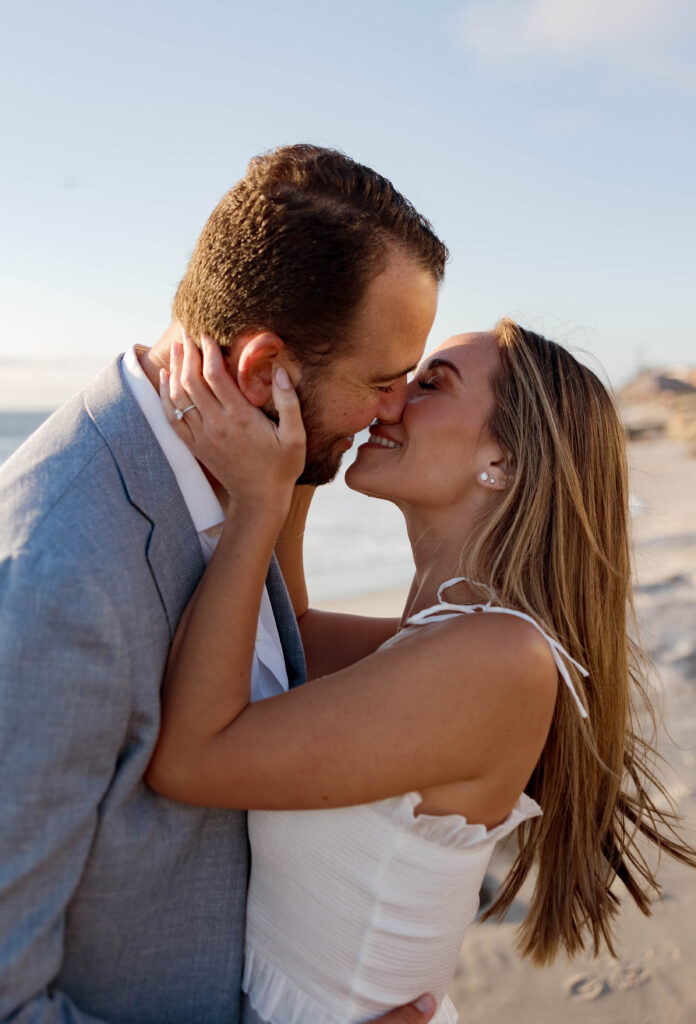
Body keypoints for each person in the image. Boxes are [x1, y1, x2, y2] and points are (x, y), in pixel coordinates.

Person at [0, 144, 448, 1024]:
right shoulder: (60, 576)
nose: (397, 409)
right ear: (263, 374)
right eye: (382, 381)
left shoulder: (244, 486)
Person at [147, 320, 696, 1024]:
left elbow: (190, 758)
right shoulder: (451, 640)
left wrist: (260, 504)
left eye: (429, 383)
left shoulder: (499, 659)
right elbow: (292, 642)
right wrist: (312, 442)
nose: (388, 401)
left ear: (504, 460)